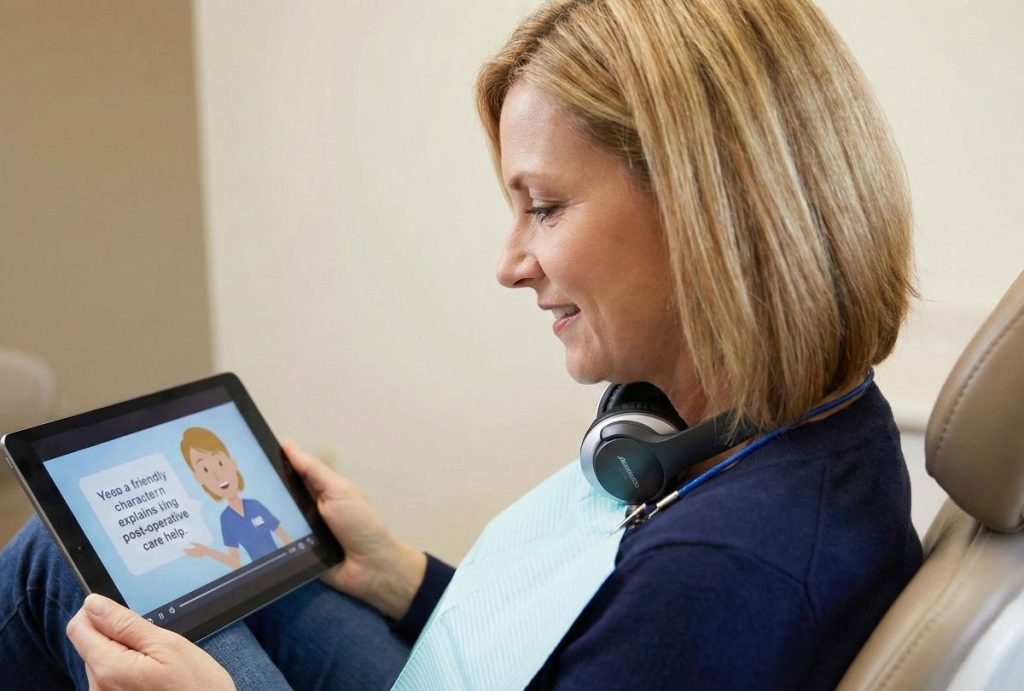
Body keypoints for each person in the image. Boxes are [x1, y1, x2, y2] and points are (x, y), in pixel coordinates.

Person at [0, 0, 921, 688]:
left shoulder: (722, 576)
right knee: (121, 552)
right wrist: (402, 577)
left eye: (544, 206)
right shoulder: (791, 429)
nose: (510, 264)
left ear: (704, 202)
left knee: (63, 565)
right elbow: (582, 651)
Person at [179, 426, 292, 568]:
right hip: (263, 573)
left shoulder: (255, 505)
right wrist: (207, 552)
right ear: (198, 479)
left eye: (219, 463)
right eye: (205, 469)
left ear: (232, 462)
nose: (218, 475)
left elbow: (287, 540)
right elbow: (235, 562)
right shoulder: (226, 519)